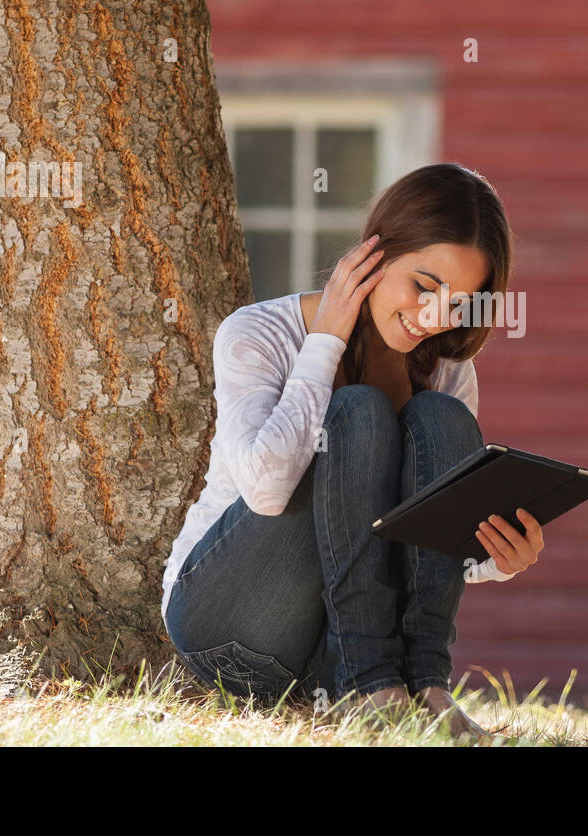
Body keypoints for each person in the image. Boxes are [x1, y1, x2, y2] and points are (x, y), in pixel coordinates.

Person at [161, 162, 544, 740]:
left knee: (441, 419)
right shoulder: (256, 333)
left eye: (458, 304)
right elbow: (266, 496)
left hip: (331, 658)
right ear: (373, 255)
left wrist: (497, 557)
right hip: (232, 622)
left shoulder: (445, 371)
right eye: (423, 287)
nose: (433, 318)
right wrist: (327, 340)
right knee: (360, 413)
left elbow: (418, 534)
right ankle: (369, 686)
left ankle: (422, 686)